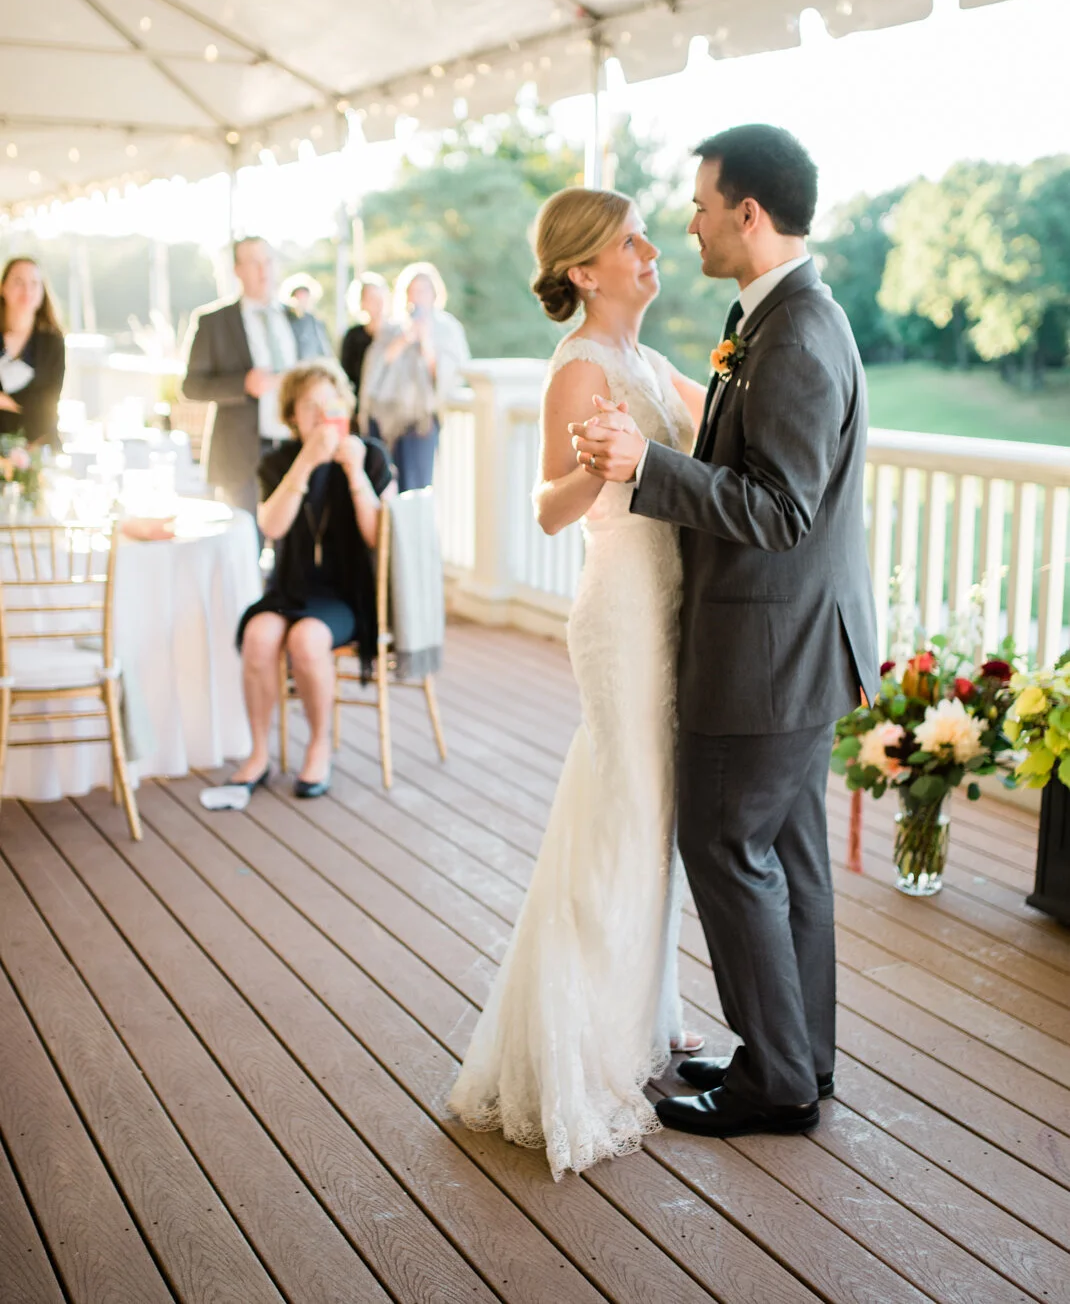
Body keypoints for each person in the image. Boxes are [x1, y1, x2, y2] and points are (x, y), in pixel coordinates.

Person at [572, 124, 879, 1140]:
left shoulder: (792, 335)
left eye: (701, 207)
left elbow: (780, 510)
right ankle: (798, 1059)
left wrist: (645, 469)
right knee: (788, 860)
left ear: (747, 213)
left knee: (723, 843)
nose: (690, 226)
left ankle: (773, 1085)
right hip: (796, 648)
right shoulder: (781, 318)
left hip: (765, 655)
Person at [448, 188, 708, 1181]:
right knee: (623, 809)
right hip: (623, 612)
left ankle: (638, 1018)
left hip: (674, 606)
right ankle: (584, 1047)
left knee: (652, 816)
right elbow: (550, 509)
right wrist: (597, 465)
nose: (651, 251)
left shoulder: (650, 362)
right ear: (584, 272)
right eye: (629, 241)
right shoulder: (582, 366)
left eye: (647, 236)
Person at [229, 358, 394, 799]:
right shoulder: (278, 461)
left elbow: (378, 537)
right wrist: (306, 463)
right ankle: (258, 752)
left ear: (345, 406)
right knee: (259, 635)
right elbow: (271, 525)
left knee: (306, 639)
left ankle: (319, 746)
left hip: (346, 592)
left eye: (329, 404)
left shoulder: (369, 454)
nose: (321, 415)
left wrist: (354, 473)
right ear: (291, 417)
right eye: (308, 407)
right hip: (290, 586)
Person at [181, 237, 328, 517]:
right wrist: (243, 384)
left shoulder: (300, 318)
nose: (264, 270)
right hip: (242, 457)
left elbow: (326, 373)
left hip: (298, 448)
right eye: (254, 263)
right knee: (246, 536)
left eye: (268, 261)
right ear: (237, 270)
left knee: (297, 538)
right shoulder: (213, 322)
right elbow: (191, 387)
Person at [359, 261, 469, 492]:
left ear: (434, 293)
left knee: (418, 486)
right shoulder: (391, 328)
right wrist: (402, 341)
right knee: (386, 485)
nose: (417, 297)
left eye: (423, 290)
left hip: (422, 421)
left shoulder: (447, 328)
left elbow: (453, 375)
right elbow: (373, 371)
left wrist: (426, 344)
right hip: (386, 417)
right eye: (412, 291)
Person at [0, 257, 65, 449]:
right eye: (18, 281)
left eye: (34, 283)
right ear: (3, 287)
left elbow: (48, 405)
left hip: (37, 448)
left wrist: (6, 401)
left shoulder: (53, 342)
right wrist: (23, 405)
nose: (27, 290)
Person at [340, 272, 389, 422]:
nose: (377, 303)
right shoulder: (353, 336)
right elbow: (346, 376)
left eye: (380, 297)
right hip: (361, 410)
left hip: (389, 410)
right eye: (371, 298)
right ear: (361, 303)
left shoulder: (396, 334)